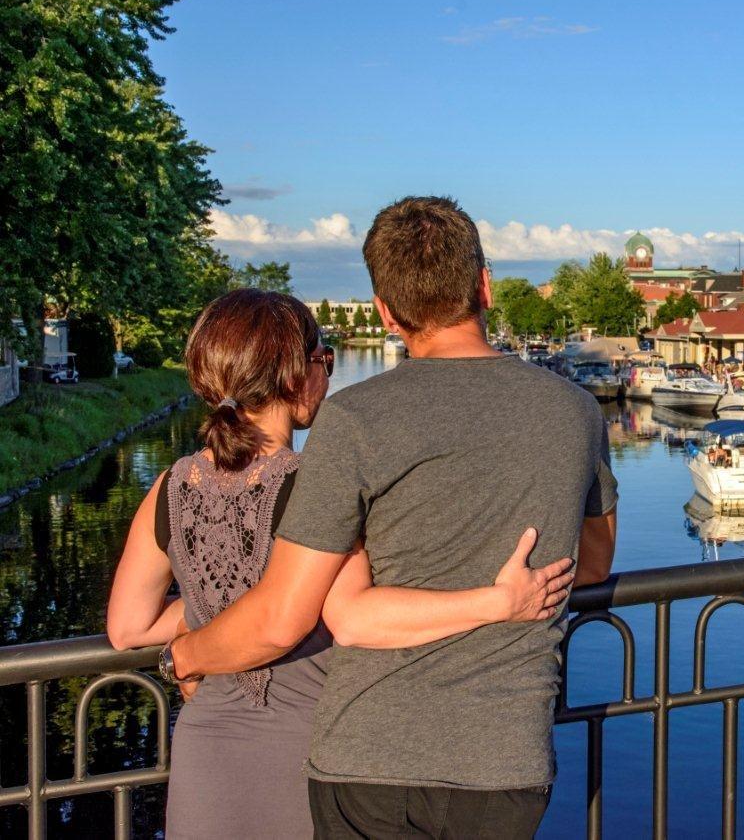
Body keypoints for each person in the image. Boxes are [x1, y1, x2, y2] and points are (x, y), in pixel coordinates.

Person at [164, 197, 618, 838]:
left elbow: (307, 613)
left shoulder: (353, 420)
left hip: (364, 758)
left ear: (385, 310)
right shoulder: (577, 412)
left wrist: (182, 654)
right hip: (501, 759)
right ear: (484, 288)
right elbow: (593, 561)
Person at [106, 289, 572, 839]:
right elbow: (345, 611)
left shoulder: (170, 487)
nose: (327, 378)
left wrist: (207, 616)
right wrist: (499, 600)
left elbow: (127, 627)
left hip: (205, 750)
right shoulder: (313, 486)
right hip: (304, 749)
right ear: (293, 376)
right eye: (323, 362)